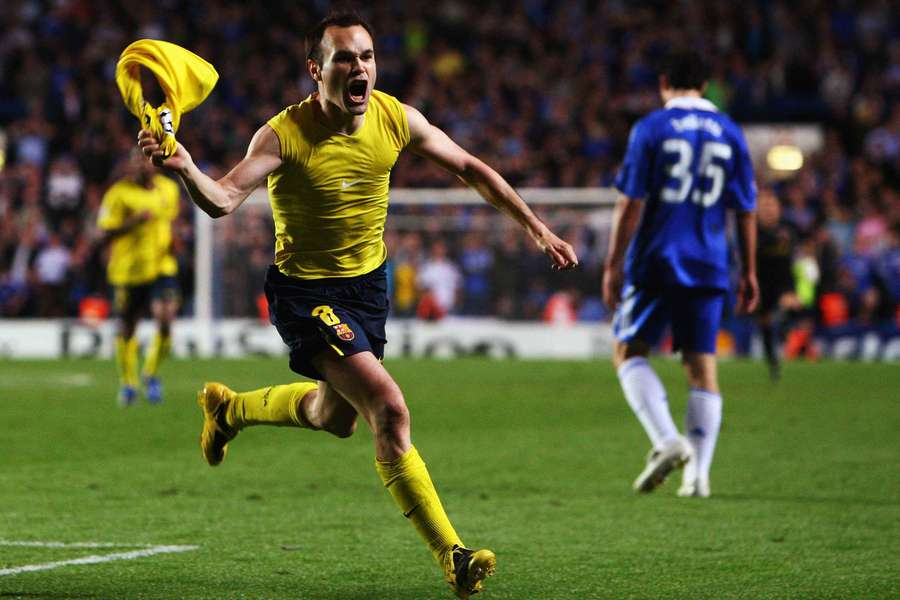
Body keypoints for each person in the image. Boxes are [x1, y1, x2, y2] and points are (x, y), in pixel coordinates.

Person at [138, 12, 577, 598]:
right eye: (345, 58)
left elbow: (470, 167)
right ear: (316, 69)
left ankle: (230, 411)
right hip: (306, 293)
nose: (360, 67)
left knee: (335, 417)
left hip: (367, 289)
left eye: (367, 56)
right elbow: (223, 199)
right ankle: (455, 555)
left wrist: (536, 228)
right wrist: (187, 167)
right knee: (389, 409)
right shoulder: (283, 134)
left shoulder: (395, 117)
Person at [602, 50, 758, 499]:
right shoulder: (730, 132)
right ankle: (699, 477)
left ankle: (668, 440)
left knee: (628, 350)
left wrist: (613, 264)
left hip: (657, 257)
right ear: (705, 85)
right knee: (701, 364)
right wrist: (748, 270)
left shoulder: (651, 127)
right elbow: (745, 208)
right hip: (710, 261)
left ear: (664, 82)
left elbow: (630, 202)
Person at [97, 149, 181, 405]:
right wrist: (133, 222)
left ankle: (151, 374)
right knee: (127, 327)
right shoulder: (118, 194)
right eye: (136, 162)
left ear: (155, 164)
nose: (141, 166)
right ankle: (129, 383)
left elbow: (169, 222)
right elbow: (104, 233)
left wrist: (173, 241)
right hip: (128, 271)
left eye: (145, 161)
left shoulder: (169, 189)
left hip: (161, 266)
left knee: (165, 318)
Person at [755, 188, 800, 380]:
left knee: (787, 311)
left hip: (784, 283)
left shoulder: (788, 229)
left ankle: (785, 337)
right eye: (764, 206)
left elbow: (793, 258)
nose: (768, 210)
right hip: (761, 283)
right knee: (764, 323)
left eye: (771, 206)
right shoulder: (753, 231)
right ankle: (772, 362)